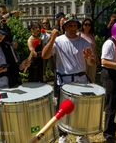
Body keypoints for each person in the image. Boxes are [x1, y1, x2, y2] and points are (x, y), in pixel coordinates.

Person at [42, 14, 95, 143]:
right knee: (62, 109)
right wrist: (52, 38)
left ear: (78, 26)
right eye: (69, 25)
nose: (72, 27)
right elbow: (44, 55)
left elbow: (92, 63)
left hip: (81, 80)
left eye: (75, 25)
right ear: (64, 26)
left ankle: (81, 134)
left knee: (81, 108)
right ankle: (62, 134)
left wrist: (89, 58)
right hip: (64, 81)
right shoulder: (58, 40)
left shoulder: (84, 42)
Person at [80, 18, 98, 82]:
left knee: (92, 78)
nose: (87, 26)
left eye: (89, 25)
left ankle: (91, 91)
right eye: (85, 24)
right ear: (82, 25)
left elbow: (94, 48)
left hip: (92, 59)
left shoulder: (92, 36)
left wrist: (97, 59)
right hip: (83, 59)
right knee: (84, 77)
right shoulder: (79, 35)